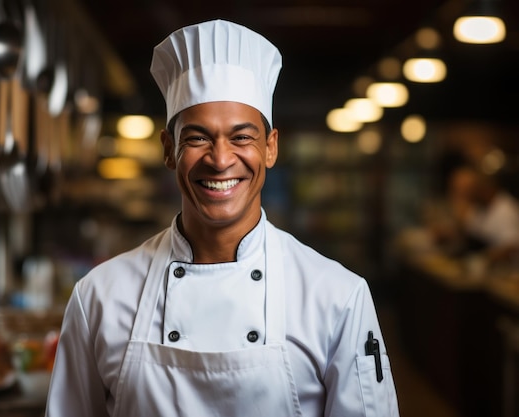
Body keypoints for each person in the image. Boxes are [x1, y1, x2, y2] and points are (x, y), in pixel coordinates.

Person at [45, 19, 400, 417]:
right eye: (197, 137)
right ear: (168, 149)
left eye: (242, 137)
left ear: (270, 148)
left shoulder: (337, 298)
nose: (220, 159)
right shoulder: (99, 297)